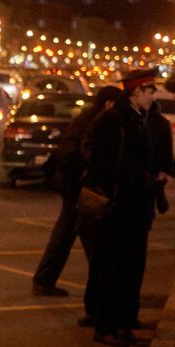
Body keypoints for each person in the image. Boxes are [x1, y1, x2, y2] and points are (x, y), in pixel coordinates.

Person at [83, 70, 163, 347]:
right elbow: (108, 165)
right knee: (113, 268)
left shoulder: (136, 118)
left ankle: (125, 323)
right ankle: (106, 327)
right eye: (149, 91)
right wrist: (145, 179)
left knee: (131, 268)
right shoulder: (113, 120)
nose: (153, 96)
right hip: (119, 207)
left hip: (134, 206)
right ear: (135, 92)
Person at [30, 86, 124, 298]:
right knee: (90, 234)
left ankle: (44, 280)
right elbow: (78, 152)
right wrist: (85, 173)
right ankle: (104, 286)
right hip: (76, 186)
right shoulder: (95, 121)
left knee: (67, 233)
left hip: (71, 184)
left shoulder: (86, 118)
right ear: (109, 103)